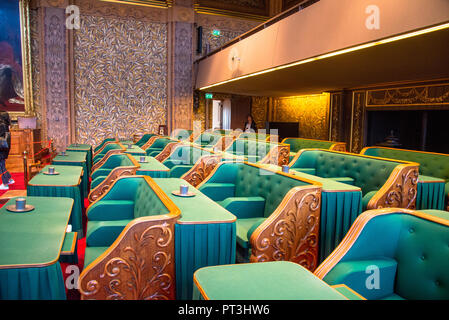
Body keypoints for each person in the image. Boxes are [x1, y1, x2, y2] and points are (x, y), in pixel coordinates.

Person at [0, 110, 13, 190]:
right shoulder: (6, 125)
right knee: (2, 165)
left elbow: (1, 137)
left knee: (1, 166)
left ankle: (5, 184)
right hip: (4, 148)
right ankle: (9, 179)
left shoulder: (1, 125)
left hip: (1, 147)